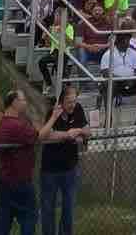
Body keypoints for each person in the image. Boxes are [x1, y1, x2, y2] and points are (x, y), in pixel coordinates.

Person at [0, 88, 59, 235]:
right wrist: (54, 117)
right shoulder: (17, 126)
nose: (25, 102)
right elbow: (39, 136)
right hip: (20, 181)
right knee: (29, 217)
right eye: (23, 100)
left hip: (5, 180)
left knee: (4, 219)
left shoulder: (0, 126)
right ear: (15, 103)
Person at [39, 85, 91, 235]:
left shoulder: (78, 109)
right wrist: (68, 135)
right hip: (50, 170)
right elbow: (47, 135)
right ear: (62, 101)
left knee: (68, 208)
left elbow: (88, 131)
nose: (72, 105)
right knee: (48, 208)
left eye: (74, 101)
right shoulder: (53, 112)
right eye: (69, 102)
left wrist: (79, 131)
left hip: (70, 168)